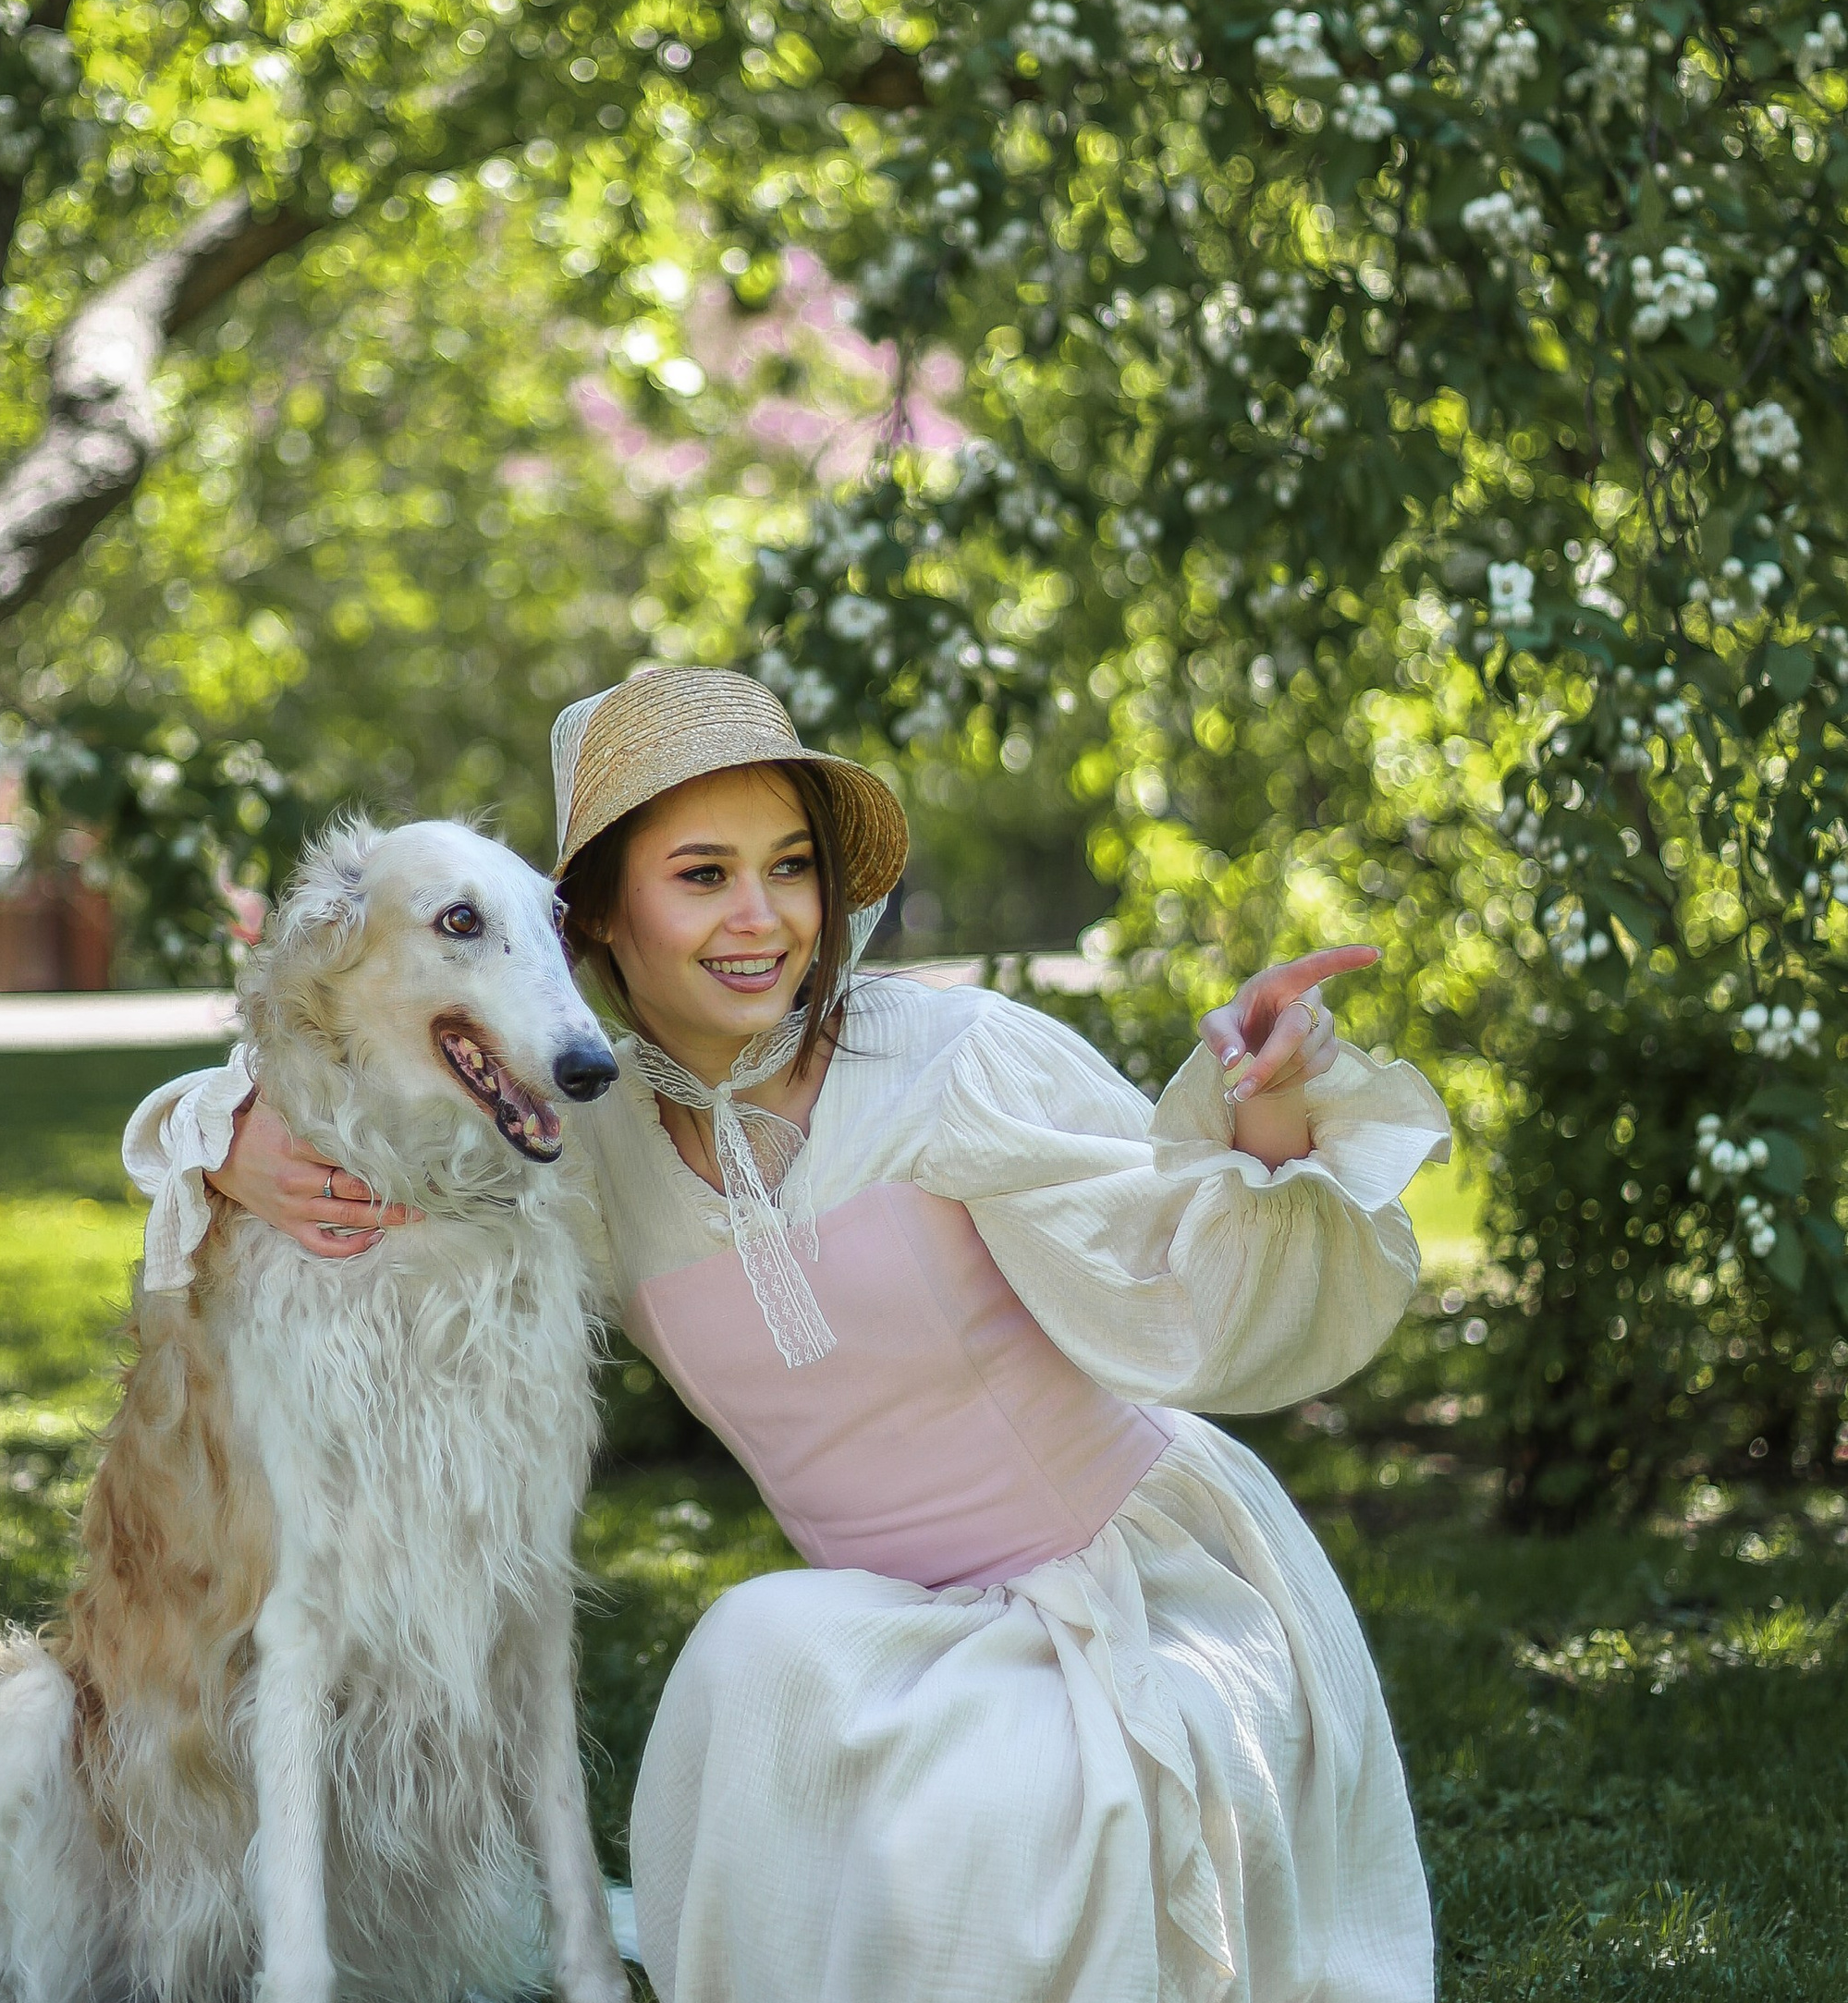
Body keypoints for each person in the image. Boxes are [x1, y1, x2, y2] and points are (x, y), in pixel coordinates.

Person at [125, 666, 1450, 2003]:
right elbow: (335, 1059)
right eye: (702, 875)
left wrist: (1269, 1108)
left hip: (1131, 1588)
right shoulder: (581, 1142)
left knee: (1020, 1816)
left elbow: (1195, 1279)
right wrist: (224, 1139)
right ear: (592, 922)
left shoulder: (949, 1061)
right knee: (747, 1656)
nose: (762, 920)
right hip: (894, 1624)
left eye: (791, 868)